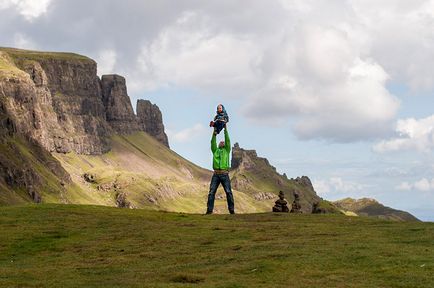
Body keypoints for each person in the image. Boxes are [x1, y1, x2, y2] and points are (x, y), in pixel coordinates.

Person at [206, 123, 235, 214]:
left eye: (223, 142)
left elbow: (228, 141)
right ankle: (209, 211)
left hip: (224, 174)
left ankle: (231, 211)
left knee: (228, 192)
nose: (222, 142)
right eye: (220, 142)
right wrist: (214, 133)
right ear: (218, 144)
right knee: (211, 193)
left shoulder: (227, 150)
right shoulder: (215, 150)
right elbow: (212, 142)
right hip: (216, 174)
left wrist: (225, 130)